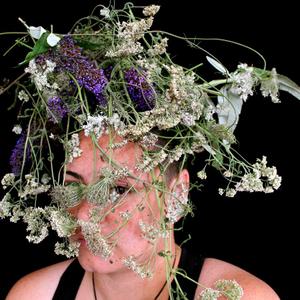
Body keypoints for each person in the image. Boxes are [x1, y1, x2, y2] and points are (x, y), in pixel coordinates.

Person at [1, 2, 299, 299]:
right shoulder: (34, 295)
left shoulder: (236, 297)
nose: (84, 214)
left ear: (177, 196)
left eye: (117, 189)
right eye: (72, 186)